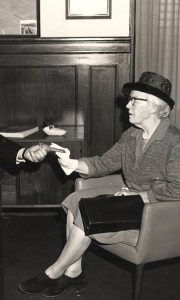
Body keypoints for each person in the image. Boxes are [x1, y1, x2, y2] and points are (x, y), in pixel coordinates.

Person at [18, 71, 180, 297]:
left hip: (154, 211)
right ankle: (74, 272)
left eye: (134, 100)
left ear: (154, 106)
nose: (128, 106)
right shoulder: (132, 135)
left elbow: (177, 189)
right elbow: (104, 163)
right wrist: (71, 162)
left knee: (86, 214)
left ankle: (54, 272)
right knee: (75, 200)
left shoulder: (174, 142)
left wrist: (140, 197)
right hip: (130, 201)